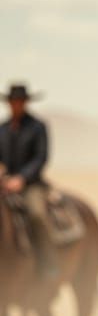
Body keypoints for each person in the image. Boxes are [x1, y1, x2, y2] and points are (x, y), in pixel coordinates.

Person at [0, 82, 58, 279]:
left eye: (19, 102)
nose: (16, 105)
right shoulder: (2, 129)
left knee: (36, 215)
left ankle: (48, 264)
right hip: (4, 185)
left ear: (25, 103)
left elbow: (41, 157)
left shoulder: (37, 127)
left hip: (31, 185)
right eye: (12, 102)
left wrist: (22, 178)